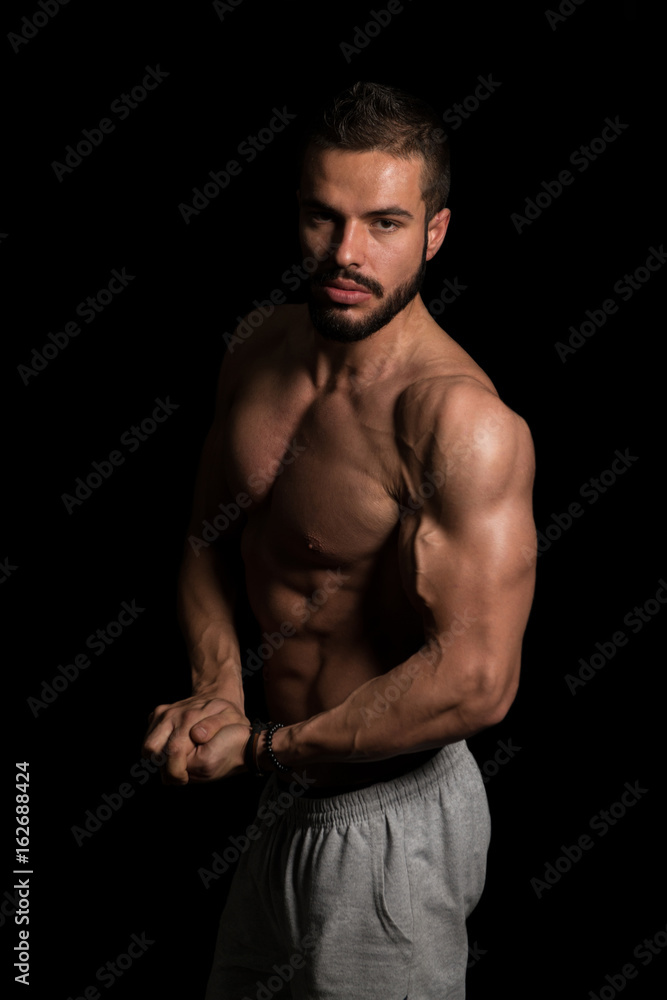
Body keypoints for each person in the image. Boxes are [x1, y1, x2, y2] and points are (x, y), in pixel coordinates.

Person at [143, 80, 537, 999]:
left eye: (385, 224)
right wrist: (215, 693)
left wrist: (267, 746)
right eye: (324, 218)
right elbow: (206, 538)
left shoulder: (459, 424)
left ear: (435, 233)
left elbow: (478, 683)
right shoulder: (258, 349)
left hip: (391, 822)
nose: (346, 254)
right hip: (283, 791)